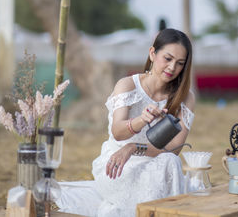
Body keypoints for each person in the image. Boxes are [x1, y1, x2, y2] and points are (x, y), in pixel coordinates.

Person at [56, 28, 195, 217]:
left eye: (180, 63)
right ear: (152, 53)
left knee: (170, 161)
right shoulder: (129, 85)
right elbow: (118, 132)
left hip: (157, 164)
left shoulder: (184, 98)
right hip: (119, 166)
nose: (172, 68)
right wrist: (141, 120)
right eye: (168, 59)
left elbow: (173, 149)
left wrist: (133, 147)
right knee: (166, 167)